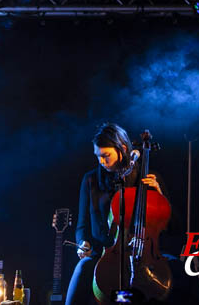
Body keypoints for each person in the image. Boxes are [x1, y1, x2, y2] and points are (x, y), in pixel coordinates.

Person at [65, 122, 165, 305]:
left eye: (106, 156)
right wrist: (82, 243)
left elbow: (173, 225)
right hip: (103, 255)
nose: (101, 162)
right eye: (98, 156)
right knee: (82, 271)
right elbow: (82, 225)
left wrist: (159, 196)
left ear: (123, 149)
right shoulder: (90, 180)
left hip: (141, 255)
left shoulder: (147, 178)